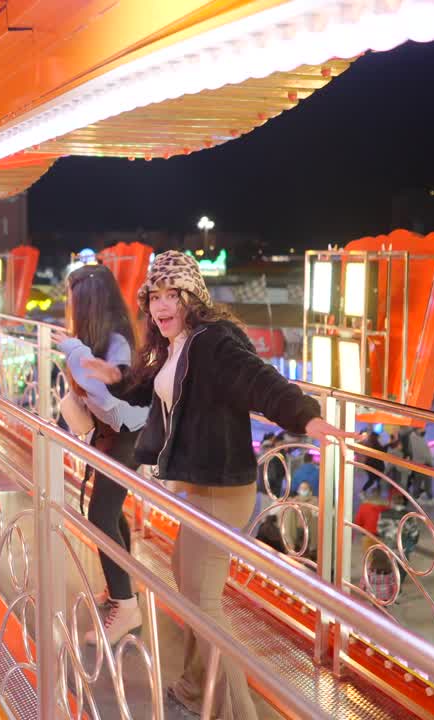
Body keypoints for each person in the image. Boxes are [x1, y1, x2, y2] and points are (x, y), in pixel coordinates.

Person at [85, 251, 353, 720]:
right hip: (195, 488)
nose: (162, 306)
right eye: (155, 297)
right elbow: (151, 387)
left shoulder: (213, 343)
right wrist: (117, 377)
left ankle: (238, 713)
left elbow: (260, 380)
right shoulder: (176, 345)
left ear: (193, 299)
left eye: (173, 295)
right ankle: (194, 690)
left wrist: (306, 417)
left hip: (221, 491)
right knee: (189, 589)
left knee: (205, 604)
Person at [53, 264, 149, 646]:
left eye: (74, 299)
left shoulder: (117, 341)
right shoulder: (101, 337)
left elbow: (112, 394)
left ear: (88, 301)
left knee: (101, 514)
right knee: (109, 511)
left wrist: (78, 355)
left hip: (129, 435)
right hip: (118, 434)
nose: (70, 306)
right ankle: (121, 588)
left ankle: (125, 606)